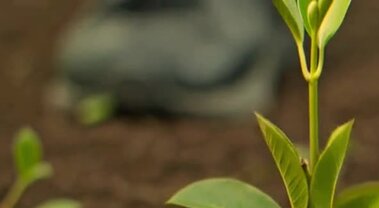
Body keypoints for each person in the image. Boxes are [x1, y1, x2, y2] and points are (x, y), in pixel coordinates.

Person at [54, 0, 290, 118]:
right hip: (151, 26)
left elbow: (239, 40)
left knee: (221, 59)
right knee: (87, 56)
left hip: (223, 31)